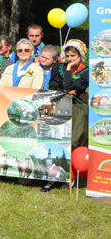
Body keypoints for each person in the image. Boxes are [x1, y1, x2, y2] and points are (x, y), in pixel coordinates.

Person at [43, 39, 88, 192]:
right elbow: (53, 86)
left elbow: (73, 86)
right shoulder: (57, 67)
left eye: (73, 56)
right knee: (56, 140)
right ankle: (51, 178)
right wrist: (66, 90)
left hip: (77, 109)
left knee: (74, 141)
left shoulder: (86, 71)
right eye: (67, 56)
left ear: (80, 55)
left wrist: (69, 70)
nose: (70, 59)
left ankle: (71, 176)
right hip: (59, 105)